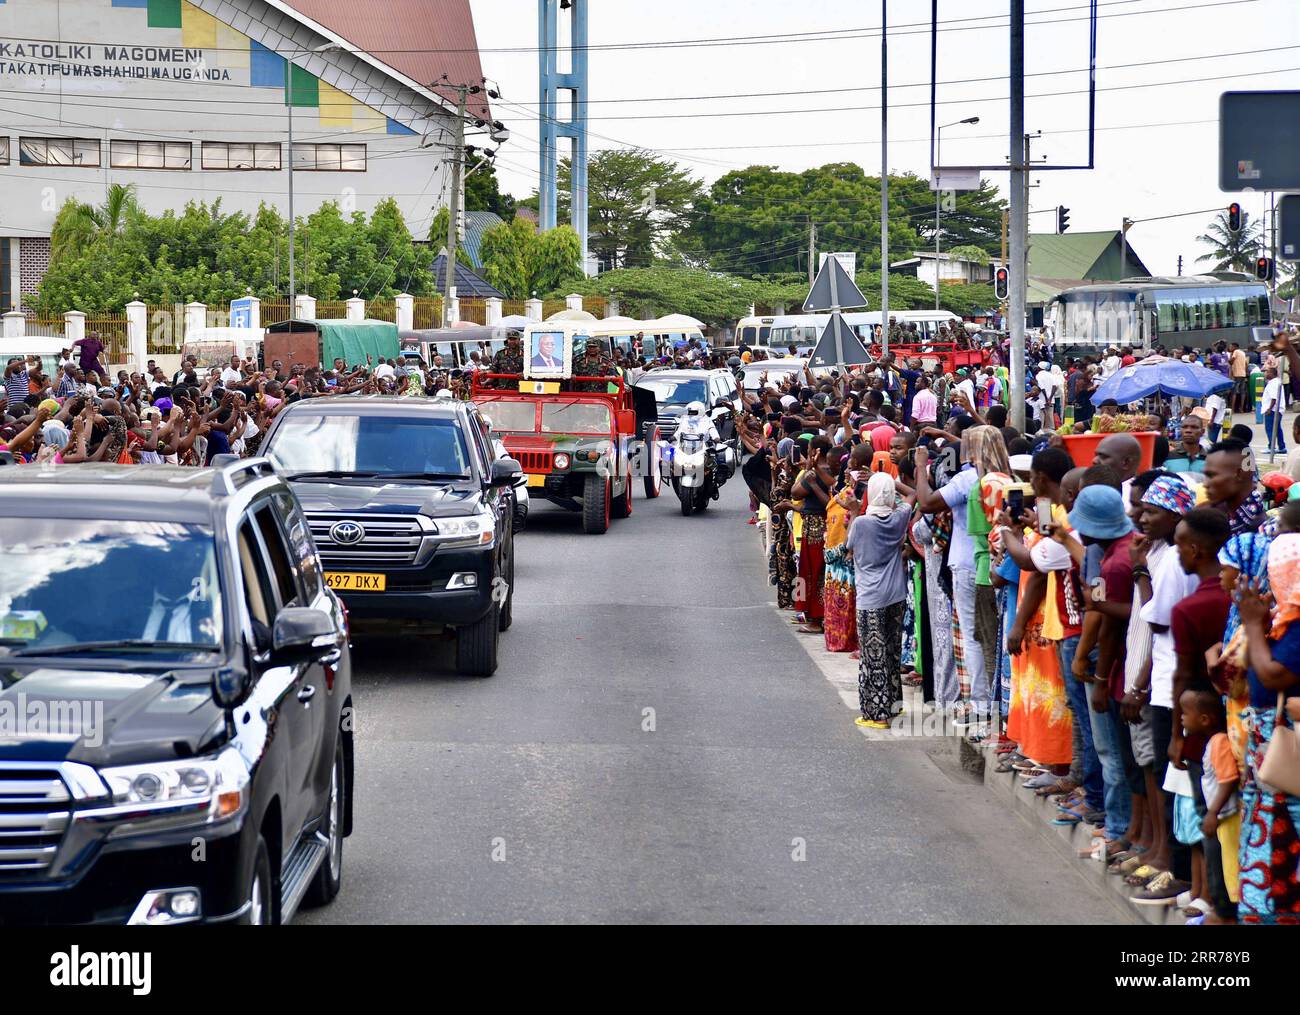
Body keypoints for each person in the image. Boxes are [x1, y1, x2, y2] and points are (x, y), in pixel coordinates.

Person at [1235, 532, 1300, 923]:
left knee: (1281, 847)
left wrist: (1254, 625)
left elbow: (1274, 674)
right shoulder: (1286, 619)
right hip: (1271, 759)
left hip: (1286, 763)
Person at [845, 471, 914, 729]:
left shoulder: (862, 523)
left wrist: (853, 512)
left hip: (870, 597)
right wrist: (889, 482)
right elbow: (912, 494)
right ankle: (895, 706)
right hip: (895, 594)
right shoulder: (898, 519)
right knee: (891, 651)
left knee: (873, 656)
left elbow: (848, 547)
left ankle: (878, 713)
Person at [1261, 366, 1287, 454]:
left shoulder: (1273, 383)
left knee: (1270, 429)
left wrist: (1269, 408)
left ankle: (1271, 447)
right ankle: (1282, 447)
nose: (1265, 374)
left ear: (1272, 374)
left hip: (1272, 410)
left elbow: (1274, 398)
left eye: (1267, 372)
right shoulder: (1277, 382)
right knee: (1277, 429)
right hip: (1278, 409)